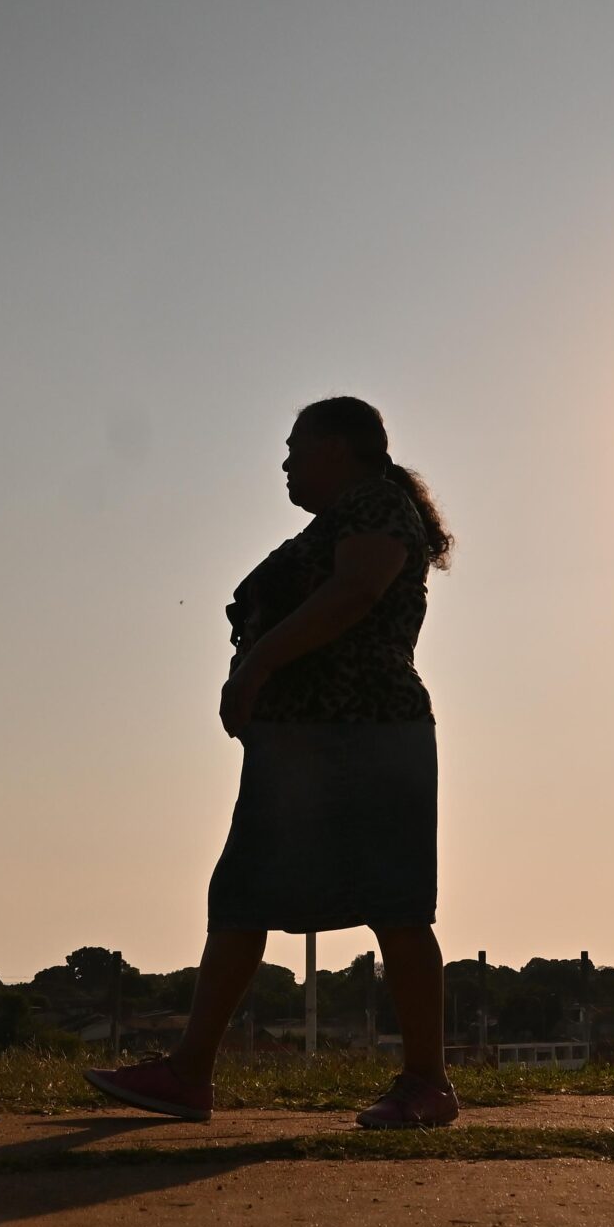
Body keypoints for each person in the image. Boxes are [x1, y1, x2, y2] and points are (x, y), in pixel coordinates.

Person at [88, 396, 459, 1129]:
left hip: (370, 736)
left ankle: (428, 1081)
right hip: (303, 749)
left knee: (397, 905)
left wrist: (256, 664)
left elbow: (356, 591)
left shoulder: (379, 506)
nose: (285, 462)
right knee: (242, 897)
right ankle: (189, 1073)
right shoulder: (334, 523)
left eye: (296, 447)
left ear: (340, 449)